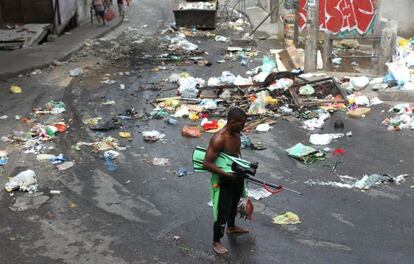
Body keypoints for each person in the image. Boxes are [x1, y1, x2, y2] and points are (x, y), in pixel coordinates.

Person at [203, 107, 249, 255]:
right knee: (222, 210)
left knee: (235, 202)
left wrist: (243, 169)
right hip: (223, 178)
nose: (244, 127)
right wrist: (226, 175)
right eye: (241, 124)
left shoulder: (237, 134)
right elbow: (207, 163)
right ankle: (216, 241)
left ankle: (231, 226)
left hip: (236, 176)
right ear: (232, 121)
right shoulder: (219, 139)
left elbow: (235, 155)